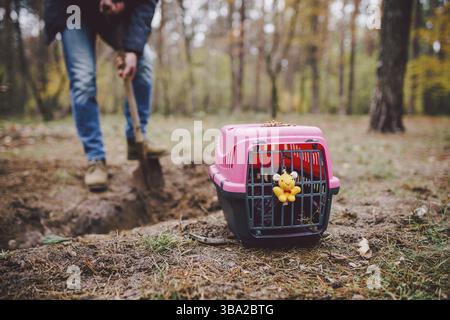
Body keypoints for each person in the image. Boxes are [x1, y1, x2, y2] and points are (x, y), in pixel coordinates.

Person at [44, 0, 166, 192]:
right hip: (73, 10)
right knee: (83, 78)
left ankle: (136, 139)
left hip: (112, 12)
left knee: (143, 60)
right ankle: (95, 158)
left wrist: (133, 50)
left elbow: (146, 5)